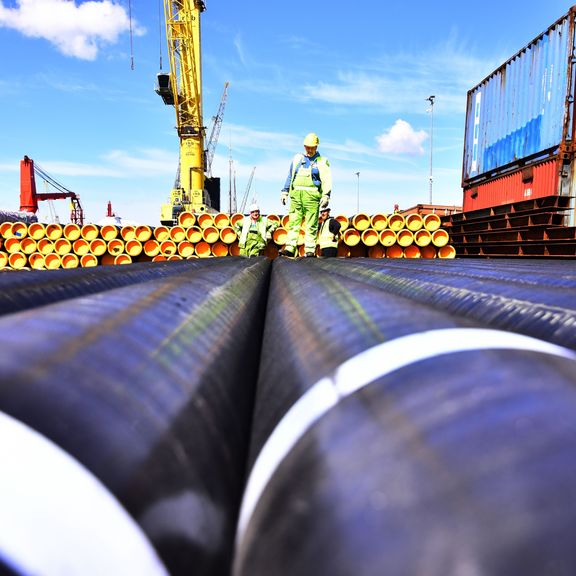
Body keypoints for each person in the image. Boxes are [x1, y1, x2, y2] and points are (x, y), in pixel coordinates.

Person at [279, 132, 332, 258]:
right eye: (307, 147)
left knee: (311, 224)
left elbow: (326, 179)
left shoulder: (322, 161)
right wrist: (285, 191)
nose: (309, 150)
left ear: (316, 147)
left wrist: (326, 195)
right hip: (296, 196)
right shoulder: (297, 159)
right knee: (293, 223)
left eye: (311, 147)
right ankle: (290, 248)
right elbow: (290, 175)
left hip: (312, 197)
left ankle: (309, 250)